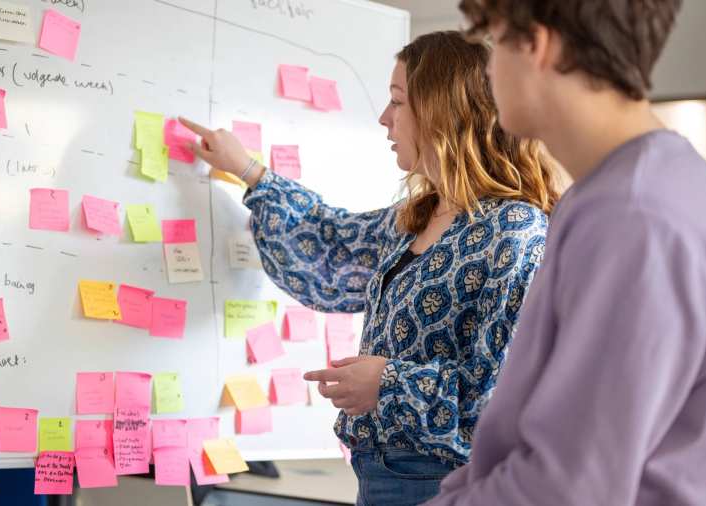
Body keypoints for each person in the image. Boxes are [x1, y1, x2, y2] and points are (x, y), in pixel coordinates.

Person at [180, 30, 558, 506]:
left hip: (451, 484)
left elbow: (501, 399)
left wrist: (388, 382)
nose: (384, 119)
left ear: (442, 110)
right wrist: (250, 171)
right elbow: (329, 242)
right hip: (381, 476)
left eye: (397, 102)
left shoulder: (514, 232)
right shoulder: (420, 216)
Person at [425, 2, 706, 504]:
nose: (488, 66)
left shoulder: (636, 216)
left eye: (495, 38)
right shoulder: (633, 193)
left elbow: (563, 489)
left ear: (537, 46)